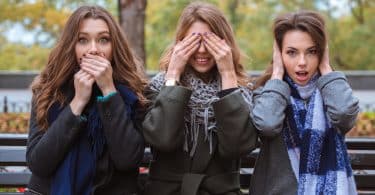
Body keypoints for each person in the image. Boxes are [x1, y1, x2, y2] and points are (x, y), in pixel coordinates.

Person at [25, 5, 147, 195]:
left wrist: (109, 92)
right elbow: (39, 164)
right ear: (71, 45)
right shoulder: (48, 90)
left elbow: (128, 160)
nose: (93, 50)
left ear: (114, 47)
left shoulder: (133, 93)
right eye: (82, 40)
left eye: (103, 40)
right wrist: (77, 103)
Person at [141, 2, 257, 195]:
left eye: (209, 42)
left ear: (224, 43)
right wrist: (174, 74)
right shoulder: (160, 86)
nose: (202, 50)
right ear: (180, 44)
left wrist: (228, 74)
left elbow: (237, 147)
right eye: (194, 42)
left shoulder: (241, 90)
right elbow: (162, 139)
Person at [250, 10, 359, 195]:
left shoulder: (332, 89)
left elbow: (344, 116)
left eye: (312, 52)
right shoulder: (268, 92)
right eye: (291, 53)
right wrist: (277, 74)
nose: (302, 62)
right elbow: (267, 124)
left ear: (322, 52)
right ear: (279, 54)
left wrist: (325, 67)